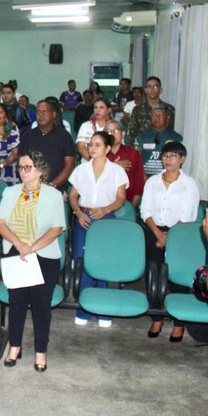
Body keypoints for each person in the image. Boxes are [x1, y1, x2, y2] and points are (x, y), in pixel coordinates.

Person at [0, 150, 66, 372]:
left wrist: (32, 248)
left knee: (40, 306)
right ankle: (14, 347)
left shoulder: (53, 195)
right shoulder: (10, 192)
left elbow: (56, 229)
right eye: (21, 167)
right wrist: (19, 245)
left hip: (43, 255)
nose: (23, 172)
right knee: (16, 303)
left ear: (40, 171)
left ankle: (41, 351)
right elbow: (0, 223)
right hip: (15, 253)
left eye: (28, 168)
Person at [140, 141, 200, 342]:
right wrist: (158, 234)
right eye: (165, 156)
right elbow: (145, 210)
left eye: (173, 156)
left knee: (176, 279)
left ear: (182, 159)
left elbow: (188, 215)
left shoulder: (189, 184)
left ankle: (178, 323)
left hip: (179, 234)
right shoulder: (153, 182)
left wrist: (168, 237)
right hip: (153, 232)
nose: (168, 160)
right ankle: (156, 317)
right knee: (154, 276)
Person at [68, 131, 129, 327]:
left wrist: (105, 209)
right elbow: (72, 196)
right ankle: (84, 309)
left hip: (106, 217)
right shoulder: (81, 169)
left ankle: (103, 310)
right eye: (90, 144)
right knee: (83, 261)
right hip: (84, 217)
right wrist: (78, 213)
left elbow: (121, 198)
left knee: (103, 263)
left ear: (107, 148)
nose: (92, 148)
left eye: (97, 145)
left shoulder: (116, 171)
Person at [18, 100, 75, 192]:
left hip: (56, 189)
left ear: (54, 115)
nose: (41, 115)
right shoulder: (28, 136)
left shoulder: (64, 136)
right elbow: (22, 163)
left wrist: (51, 185)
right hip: (31, 188)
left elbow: (69, 165)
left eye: (45, 112)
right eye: (38, 112)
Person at [134, 104, 183, 178]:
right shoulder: (142, 136)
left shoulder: (176, 137)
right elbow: (136, 158)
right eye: (154, 115)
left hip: (168, 178)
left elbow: (178, 161)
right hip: (145, 178)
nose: (156, 118)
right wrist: (143, 177)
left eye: (160, 115)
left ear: (167, 117)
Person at [104, 121, 144, 208]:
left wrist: (132, 207)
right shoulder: (99, 153)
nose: (111, 134)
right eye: (108, 131)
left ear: (123, 134)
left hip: (127, 204)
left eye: (115, 131)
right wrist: (113, 167)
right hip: (103, 203)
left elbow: (138, 182)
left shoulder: (132, 153)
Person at [128, 76, 176, 144]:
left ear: (161, 90)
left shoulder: (169, 109)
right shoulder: (137, 110)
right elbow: (132, 133)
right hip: (143, 146)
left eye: (155, 86)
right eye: (149, 87)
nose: (152, 89)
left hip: (163, 146)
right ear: (145, 90)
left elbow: (172, 131)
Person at [76, 98, 112, 162]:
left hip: (109, 164)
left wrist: (105, 164)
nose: (97, 110)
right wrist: (94, 161)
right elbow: (80, 147)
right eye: (95, 107)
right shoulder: (86, 125)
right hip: (88, 163)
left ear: (108, 110)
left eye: (101, 107)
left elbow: (117, 148)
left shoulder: (113, 126)